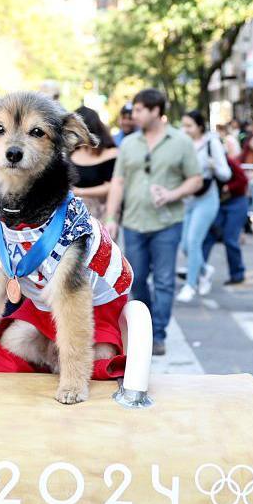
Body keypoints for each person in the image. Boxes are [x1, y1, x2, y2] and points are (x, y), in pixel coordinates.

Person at [103, 89, 202, 355]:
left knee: (164, 280)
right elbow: (118, 182)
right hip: (134, 222)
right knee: (135, 279)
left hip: (167, 222)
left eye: (138, 110)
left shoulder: (181, 142)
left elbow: (196, 179)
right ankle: (145, 326)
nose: (133, 115)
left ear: (156, 111)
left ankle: (157, 334)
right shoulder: (128, 144)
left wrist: (173, 194)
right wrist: (112, 217)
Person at [176, 110, 230, 302]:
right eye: (184, 125)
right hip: (187, 199)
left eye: (189, 125)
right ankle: (205, 270)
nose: (185, 129)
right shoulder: (183, 143)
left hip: (207, 198)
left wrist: (213, 165)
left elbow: (226, 173)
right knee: (184, 245)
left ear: (199, 126)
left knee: (193, 242)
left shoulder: (211, 143)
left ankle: (190, 285)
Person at [202, 148, 249, 285]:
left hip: (236, 202)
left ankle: (237, 273)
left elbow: (243, 180)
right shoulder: (204, 164)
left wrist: (228, 187)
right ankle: (197, 269)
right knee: (209, 236)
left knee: (230, 239)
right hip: (220, 204)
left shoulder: (229, 162)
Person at [70, 106, 118, 219]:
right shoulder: (72, 151)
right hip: (72, 212)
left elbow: (112, 186)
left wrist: (79, 191)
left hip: (100, 212)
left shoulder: (111, 154)